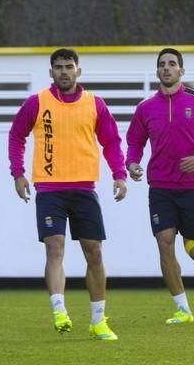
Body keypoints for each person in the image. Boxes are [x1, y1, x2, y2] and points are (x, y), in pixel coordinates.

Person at [8, 48, 127, 341]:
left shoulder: (95, 104)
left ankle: (98, 321)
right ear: (51, 73)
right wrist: (18, 173)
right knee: (55, 247)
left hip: (84, 188)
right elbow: (16, 135)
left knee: (95, 253)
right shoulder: (37, 103)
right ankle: (59, 309)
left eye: (69, 66)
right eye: (58, 67)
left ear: (78, 71)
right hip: (49, 189)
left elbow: (111, 141)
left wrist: (120, 174)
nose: (64, 71)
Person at [126, 47, 194, 324]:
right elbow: (135, 141)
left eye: (172, 64)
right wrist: (132, 162)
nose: (167, 68)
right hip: (160, 186)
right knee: (165, 244)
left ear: (181, 70)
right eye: (162, 64)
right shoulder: (146, 108)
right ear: (157, 70)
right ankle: (183, 309)